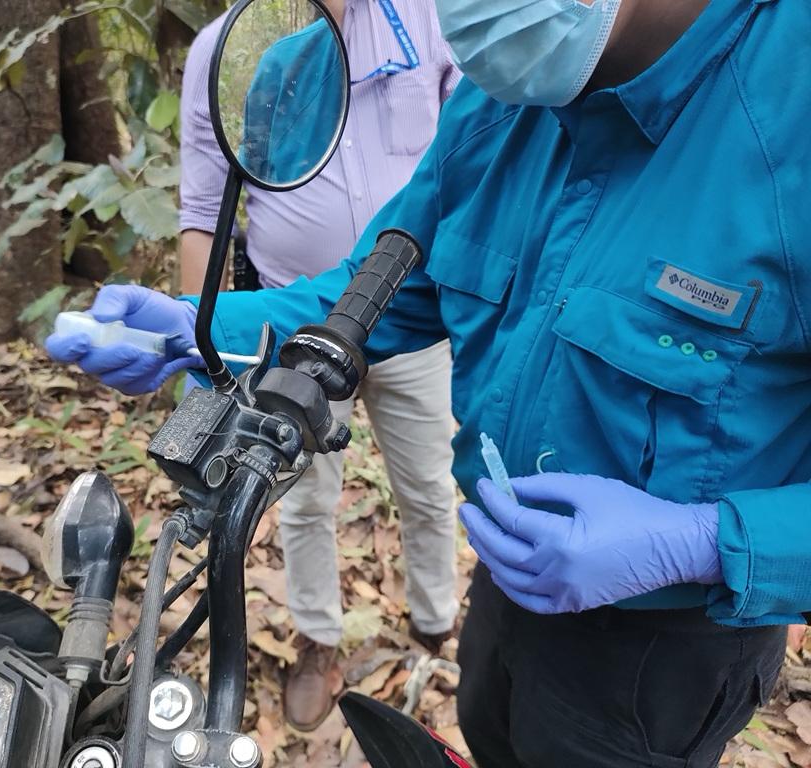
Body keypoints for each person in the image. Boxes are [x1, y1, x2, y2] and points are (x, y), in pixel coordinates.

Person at [47, 0, 811, 764]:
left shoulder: (787, 106)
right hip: (506, 578)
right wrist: (202, 329)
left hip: (662, 650)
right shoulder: (513, 84)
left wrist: (700, 545)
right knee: (492, 733)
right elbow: (381, 284)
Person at [176, 0, 462, 731]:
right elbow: (206, 206)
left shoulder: (437, 21)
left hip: (413, 313)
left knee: (430, 485)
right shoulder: (239, 53)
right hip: (288, 325)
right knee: (299, 495)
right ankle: (317, 638)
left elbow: (475, 166)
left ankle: (437, 624)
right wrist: (198, 342)